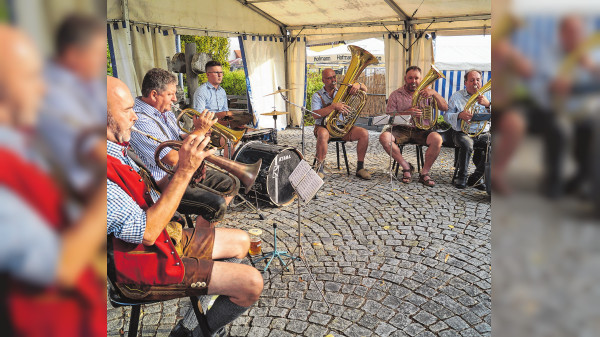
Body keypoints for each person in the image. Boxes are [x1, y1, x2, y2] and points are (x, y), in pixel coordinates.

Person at [107, 75, 263, 336]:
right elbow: (146, 233)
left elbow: (153, 198)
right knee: (251, 283)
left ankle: (193, 323)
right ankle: (197, 332)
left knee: (242, 241)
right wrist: (183, 171)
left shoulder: (116, 150)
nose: (134, 116)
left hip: (163, 240)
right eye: (126, 110)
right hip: (138, 269)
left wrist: (188, 167)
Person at [0, 24, 106, 337]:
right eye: (32, 77)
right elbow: (61, 267)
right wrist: (105, 185)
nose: (43, 88)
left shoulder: (21, 139)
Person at [129, 68, 238, 227]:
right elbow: (172, 159)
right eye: (170, 94)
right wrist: (198, 132)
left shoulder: (163, 110)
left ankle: (201, 231)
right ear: (154, 95)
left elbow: (179, 136)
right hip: (165, 181)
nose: (174, 99)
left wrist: (199, 134)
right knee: (216, 203)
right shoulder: (140, 118)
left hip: (182, 171)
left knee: (232, 183)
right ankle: (198, 241)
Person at [37, 14, 107, 199]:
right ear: (73, 54)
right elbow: (97, 151)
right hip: (81, 198)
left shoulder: (85, 82)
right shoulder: (52, 92)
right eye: (97, 52)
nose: (102, 60)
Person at [380, 66, 448, 187]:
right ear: (405, 79)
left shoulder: (428, 93)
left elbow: (444, 108)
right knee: (384, 138)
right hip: (401, 129)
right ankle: (406, 166)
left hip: (422, 130)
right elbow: (389, 115)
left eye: (416, 78)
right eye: (410, 78)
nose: (413, 81)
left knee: (437, 139)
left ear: (421, 79)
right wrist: (407, 112)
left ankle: (424, 173)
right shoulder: (396, 94)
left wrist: (435, 93)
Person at [311, 68, 371, 180]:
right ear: (323, 80)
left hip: (341, 128)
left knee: (364, 133)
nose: (333, 80)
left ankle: (360, 168)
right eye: (329, 78)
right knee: (323, 134)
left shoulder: (342, 91)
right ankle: (320, 169)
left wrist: (358, 84)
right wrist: (333, 107)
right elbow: (315, 114)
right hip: (323, 127)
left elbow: (365, 89)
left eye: (334, 77)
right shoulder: (317, 95)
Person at [445, 70, 492, 189]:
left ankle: (476, 177)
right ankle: (462, 177)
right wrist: (459, 115)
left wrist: (488, 105)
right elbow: (446, 116)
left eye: (478, 80)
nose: (475, 83)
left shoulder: (488, 95)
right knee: (467, 145)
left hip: (483, 133)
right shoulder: (457, 96)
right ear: (465, 83)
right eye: (472, 80)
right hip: (462, 132)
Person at [193, 60, 234, 157]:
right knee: (229, 141)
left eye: (221, 72)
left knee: (249, 133)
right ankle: (228, 168)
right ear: (208, 74)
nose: (220, 75)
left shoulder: (222, 91)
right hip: (209, 129)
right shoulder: (201, 91)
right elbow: (200, 116)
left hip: (222, 126)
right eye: (216, 73)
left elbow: (225, 113)